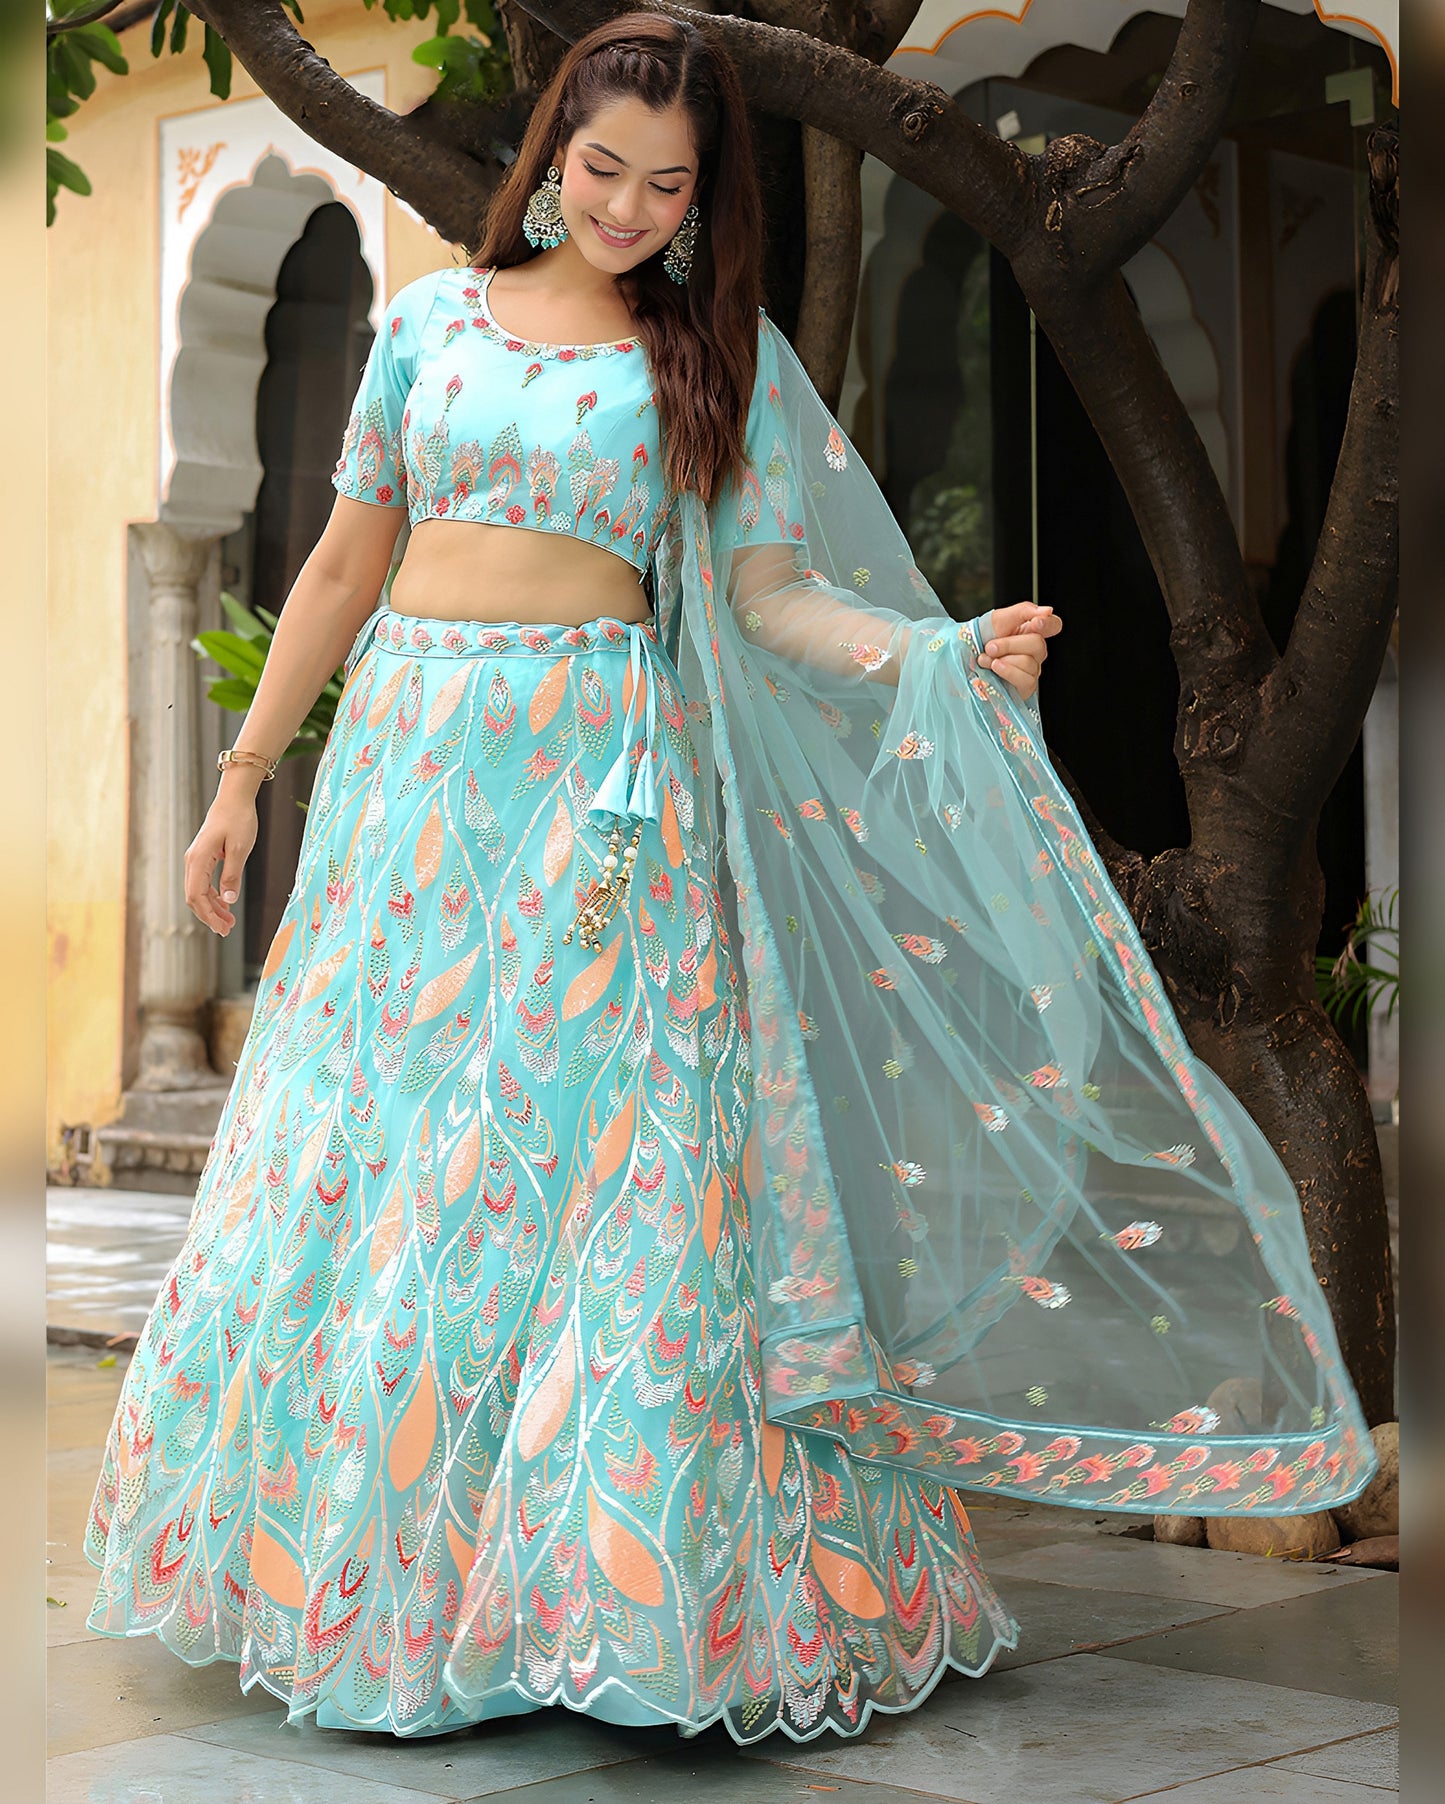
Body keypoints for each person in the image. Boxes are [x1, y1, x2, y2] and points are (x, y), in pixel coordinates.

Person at [84, 11, 1376, 1747]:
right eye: (598, 166)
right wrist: (244, 777)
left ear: (703, 202)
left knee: (622, 1175)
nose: (621, 204)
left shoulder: (714, 360)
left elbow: (769, 600)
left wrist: (932, 657)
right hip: (411, 793)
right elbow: (339, 563)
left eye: (662, 184)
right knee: (383, 1155)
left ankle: (630, 1593)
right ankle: (366, 1578)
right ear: (551, 154)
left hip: (606, 791)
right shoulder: (429, 325)